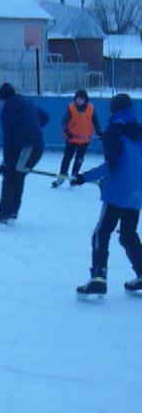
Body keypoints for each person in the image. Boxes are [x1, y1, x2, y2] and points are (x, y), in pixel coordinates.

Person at [72, 93, 142, 298]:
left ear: (112, 110)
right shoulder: (138, 129)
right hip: (137, 193)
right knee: (128, 234)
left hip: (117, 193)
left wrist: (85, 177)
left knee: (101, 233)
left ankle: (98, 279)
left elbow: (111, 167)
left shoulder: (113, 131)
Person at [0, 83, 49, 226]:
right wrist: (32, 129)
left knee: (10, 176)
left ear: (4, 99)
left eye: (0, 101)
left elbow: (7, 139)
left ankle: (5, 213)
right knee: (17, 175)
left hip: (27, 149)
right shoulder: (27, 103)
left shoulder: (7, 111)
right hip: (37, 147)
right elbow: (45, 117)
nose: (0, 104)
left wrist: (6, 161)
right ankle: (12, 211)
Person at [51, 89, 103, 188]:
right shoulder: (71, 108)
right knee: (67, 158)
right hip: (71, 138)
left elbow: (96, 122)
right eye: (77, 99)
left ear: (85, 100)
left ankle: (74, 176)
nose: (78, 101)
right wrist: (67, 131)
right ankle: (62, 175)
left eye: (81, 99)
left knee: (79, 159)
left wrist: (99, 132)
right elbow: (64, 122)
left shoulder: (91, 108)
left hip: (85, 139)